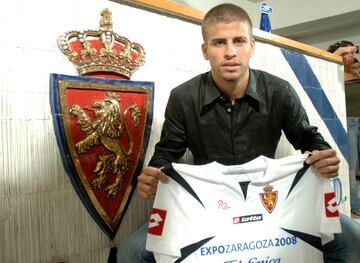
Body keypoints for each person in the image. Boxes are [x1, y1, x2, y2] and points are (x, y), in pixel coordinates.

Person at [116, 4, 360, 263]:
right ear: (205, 50)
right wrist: (153, 178)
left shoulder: (279, 91)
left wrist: (324, 157)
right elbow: (166, 155)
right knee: (132, 253)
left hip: (273, 202)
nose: (231, 52)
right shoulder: (183, 97)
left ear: (252, 46)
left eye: (239, 41)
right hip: (205, 205)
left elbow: (309, 139)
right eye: (219, 42)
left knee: (352, 238)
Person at [328, 41, 360, 216]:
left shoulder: (356, 70)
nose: (350, 55)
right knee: (351, 166)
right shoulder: (334, 72)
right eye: (345, 53)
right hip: (349, 123)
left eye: (352, 53)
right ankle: (355, 205)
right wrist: (345, 49)